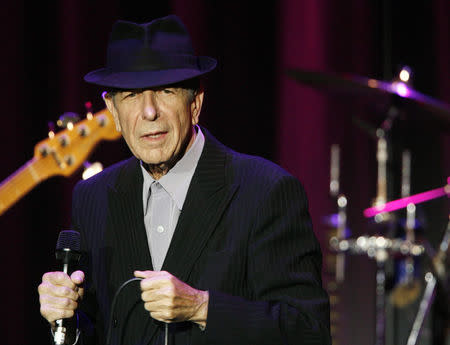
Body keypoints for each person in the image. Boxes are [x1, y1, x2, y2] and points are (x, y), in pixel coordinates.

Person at [38, 15, 331, 345]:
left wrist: (202, 307)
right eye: (132, 95)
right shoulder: (93, 197)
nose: (149, 112)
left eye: (165, 90)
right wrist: (66, 321)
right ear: (113, 111)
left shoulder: (266, 192)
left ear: (196, 103)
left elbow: (308, 330)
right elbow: (98, 329)